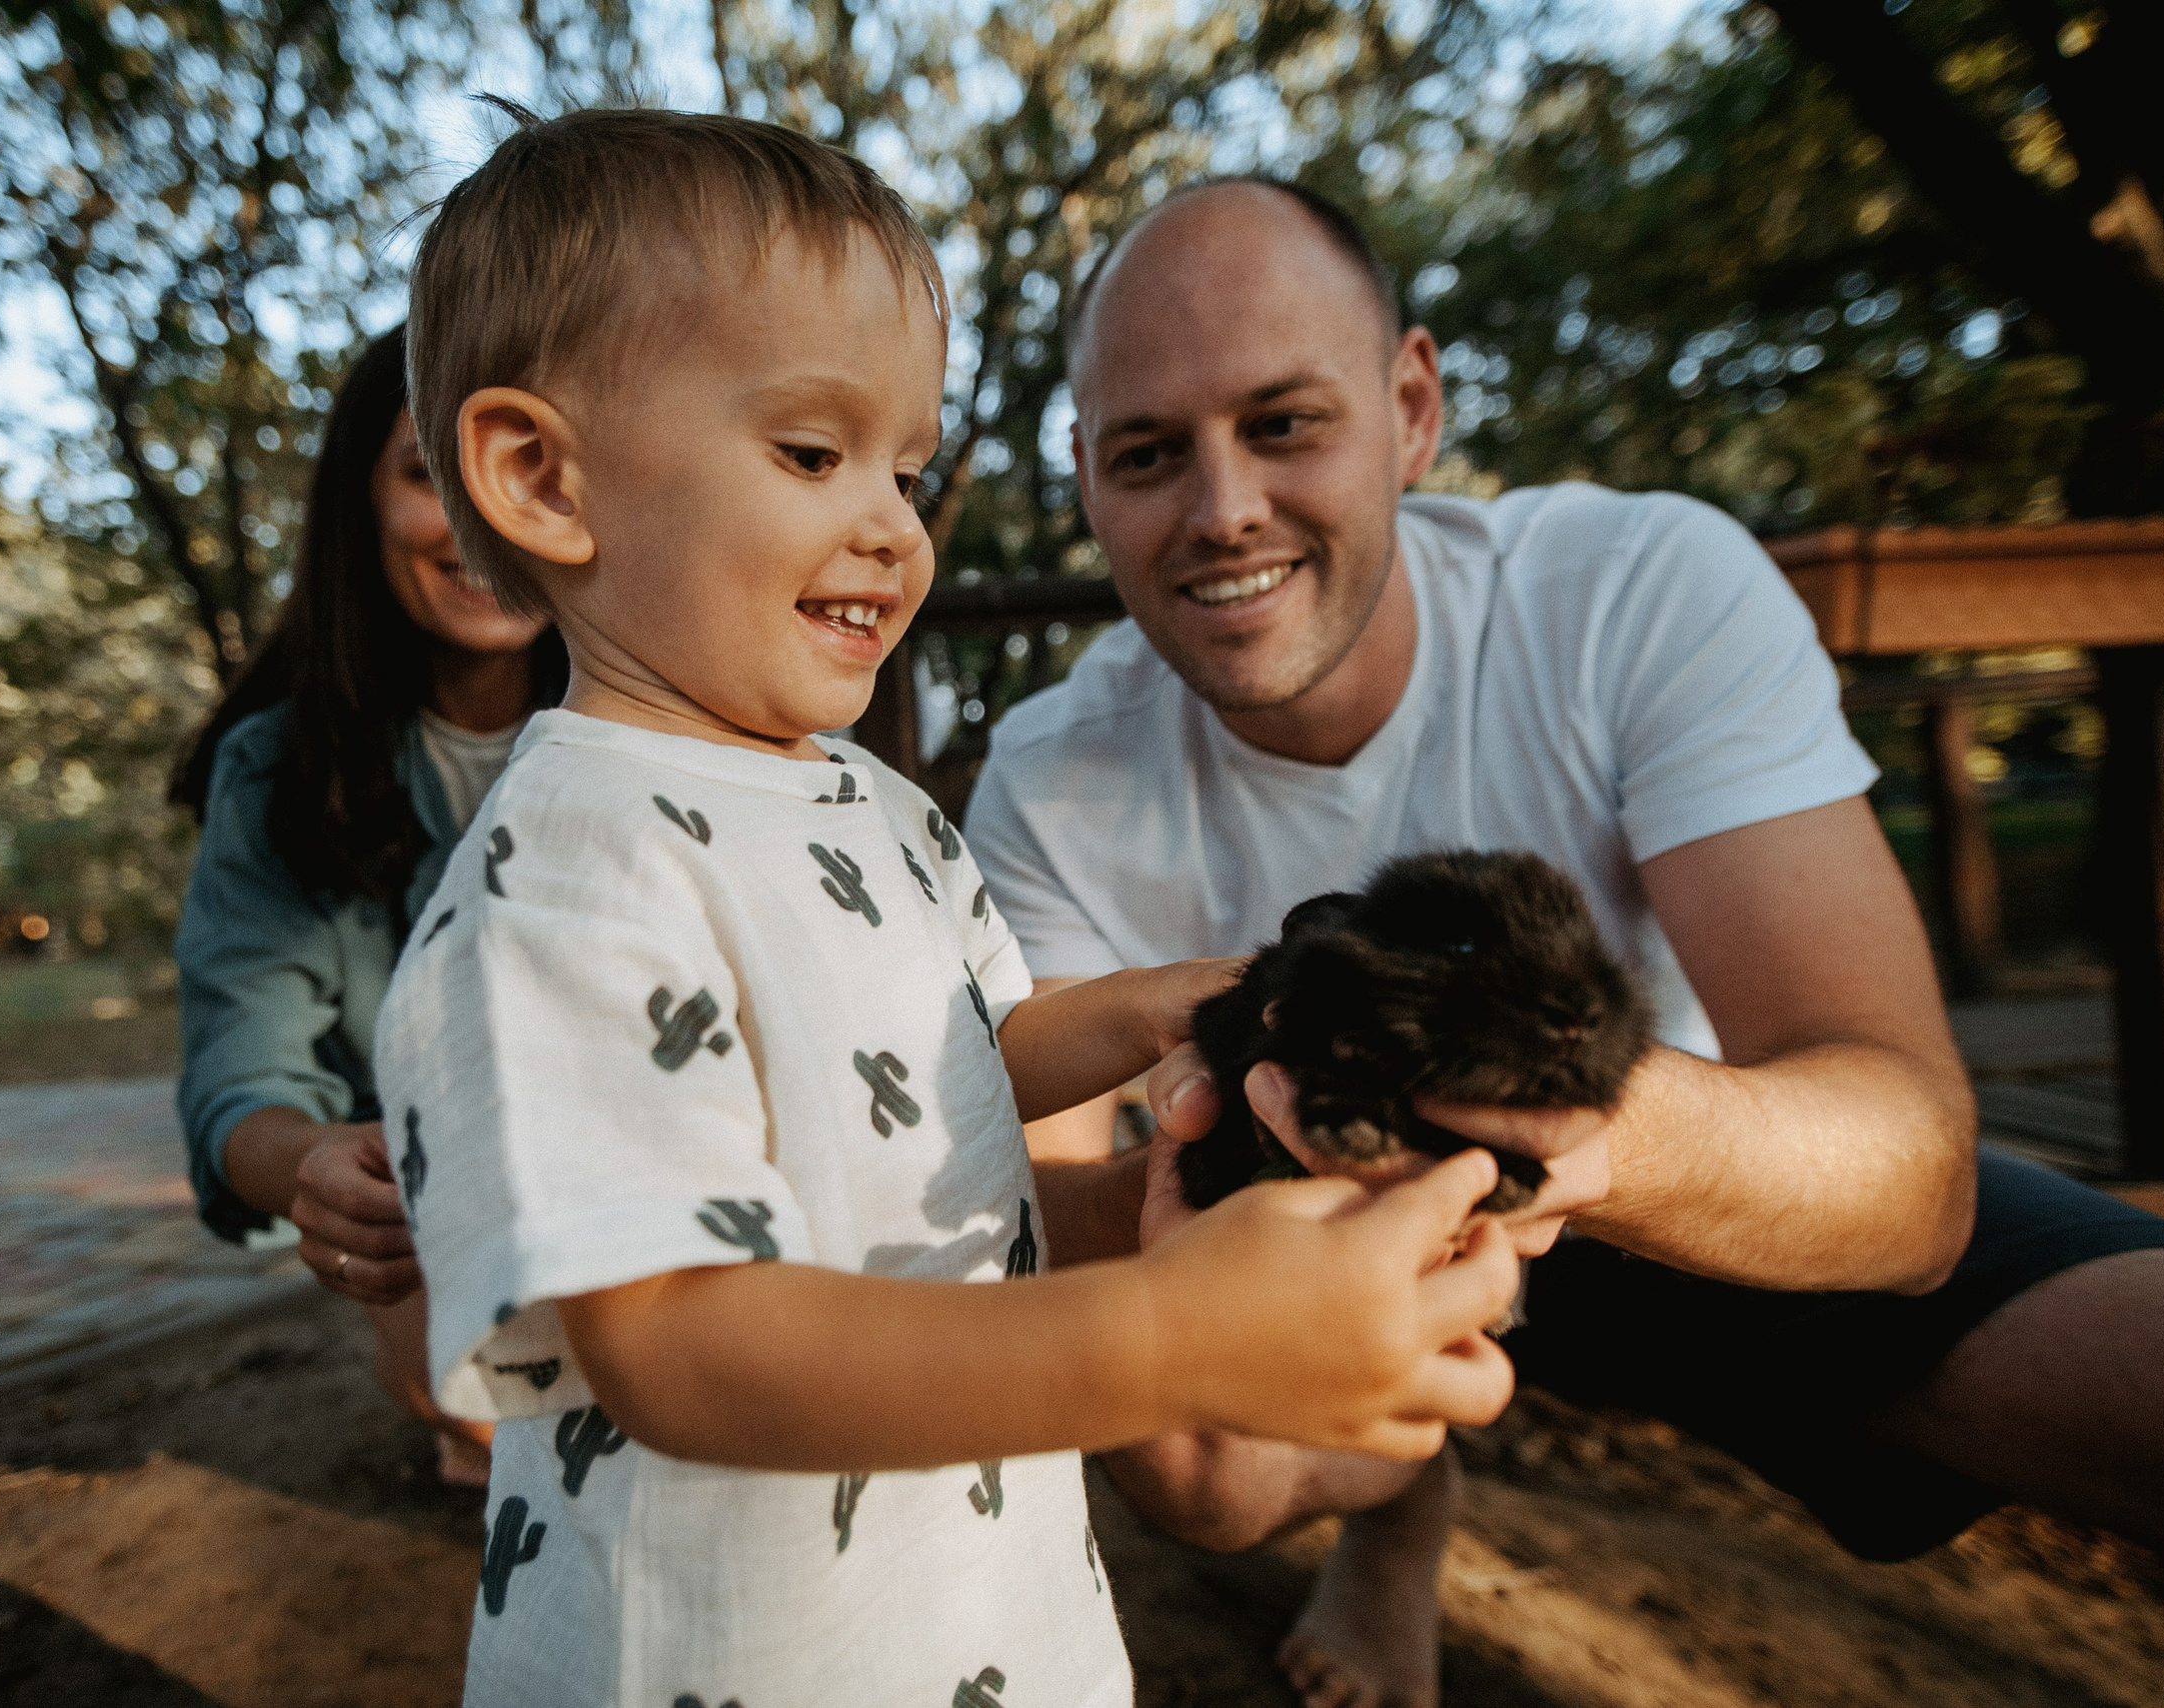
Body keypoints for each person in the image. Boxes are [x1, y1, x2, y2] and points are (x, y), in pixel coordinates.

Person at [965, 176, 2164, 1708]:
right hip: (1300, 1222)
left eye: (1284, 424)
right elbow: (1053, 1210)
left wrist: (1560, 1130)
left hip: (1680, 1180)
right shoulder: (1049, 769)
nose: (1221, 509)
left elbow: (1912, 1169)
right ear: (1086, 475)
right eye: (1150, 453)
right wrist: (1202, 1192)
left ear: (1412, 407)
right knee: (1199, 1471)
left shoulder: (1636, 589)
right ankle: (1403, 1502)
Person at [377, 108, 1534, 1708]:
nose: (893, 527)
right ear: (540, 475)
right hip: (730, 1660)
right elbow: (673, 1344)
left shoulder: (870, 803)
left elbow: (967, 1050)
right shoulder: (566, 871)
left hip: (973, 1621)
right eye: (811, 454)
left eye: (906, 471)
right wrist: (1163, 1342)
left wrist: (1184, 1006)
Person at [170, 324, 568, 1485]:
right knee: (488, 1409)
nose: (490, 515)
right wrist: (319, 1165)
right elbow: (241, 1076)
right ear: (361, 501)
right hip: (442, 1202)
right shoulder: (274, 771)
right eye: (430, 474)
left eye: (537, 468)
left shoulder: (676, 726)